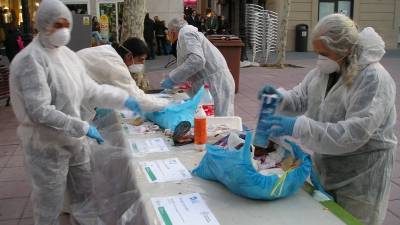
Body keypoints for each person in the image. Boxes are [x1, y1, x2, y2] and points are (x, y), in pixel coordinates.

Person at [9, 0, 143, 224]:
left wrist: (123, 99)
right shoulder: (30, 60)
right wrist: (81, 127)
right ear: (42, 24)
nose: (62, 30)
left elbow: (90, 89)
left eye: (65, 24)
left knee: (85, 194)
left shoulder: (67, 56)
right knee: (49, 204)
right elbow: (39, 111)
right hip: (46, 145)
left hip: (75, 138)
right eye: (56, 24)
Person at [259, 14, 397, 225]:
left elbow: (354, 134)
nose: (319, 59)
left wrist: (298, 126)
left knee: (354, 220)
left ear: (345, 50)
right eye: (317, 53)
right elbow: (301, 97)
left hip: (362, 174)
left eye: (324, 53)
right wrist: (280, 99)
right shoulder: (324, 71)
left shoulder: (373, 78)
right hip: (328, 164)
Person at [77, 37, 170, 120]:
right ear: (129, 56)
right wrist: (164, 105)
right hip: (73, 96)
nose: (142, 64)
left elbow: (132, 90)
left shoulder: (108, 50)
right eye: (141, 60)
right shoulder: (115, 66)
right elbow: (136, 99)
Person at [161, 18, 235, 116]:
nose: (168, 36)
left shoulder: (186, 33)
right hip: (213, 82)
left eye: (168, 33)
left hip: (215, 83)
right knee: (214, 120)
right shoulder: (185, 35)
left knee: (220, 122)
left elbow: (197, 60)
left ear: (173, 32)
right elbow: (190, 63)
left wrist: (172, 78)